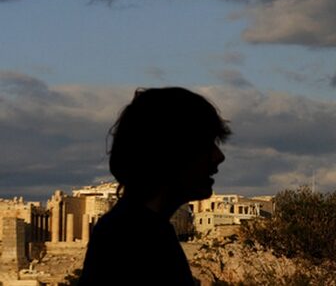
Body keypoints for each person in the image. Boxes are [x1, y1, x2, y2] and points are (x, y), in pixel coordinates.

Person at [78, 87, 230, 285]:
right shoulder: (133, 241)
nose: (219, 157)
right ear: (169, 150)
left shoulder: (135, 230)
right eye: (206, 144)